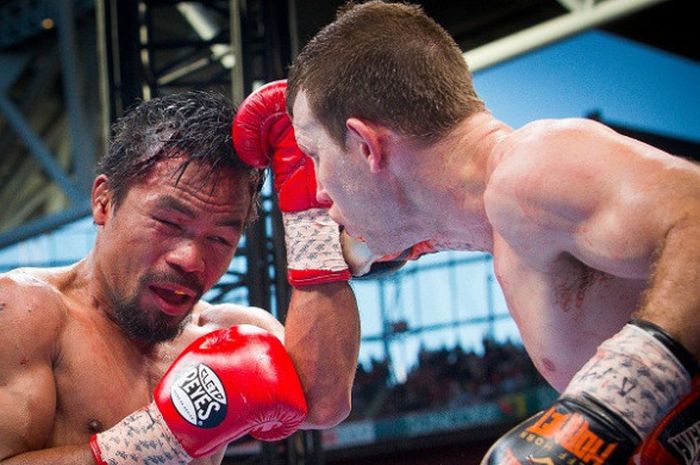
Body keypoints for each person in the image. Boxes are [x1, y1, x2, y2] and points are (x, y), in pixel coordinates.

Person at [279, 1, 700, 463]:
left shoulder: (532, 168)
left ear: (365, 146)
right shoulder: (487, 221)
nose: (317, 190)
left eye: (314, 154)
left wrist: (620, 396)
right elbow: (318, 398)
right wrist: (309, 236)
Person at [0, 90, 359, 465]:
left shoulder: (227, 332)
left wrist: (313, 225)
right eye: (168, 223)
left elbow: (323, 404)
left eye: (219, 238)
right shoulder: (25, 313)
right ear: (104, 201)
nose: (190, 259)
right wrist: (156, 440)